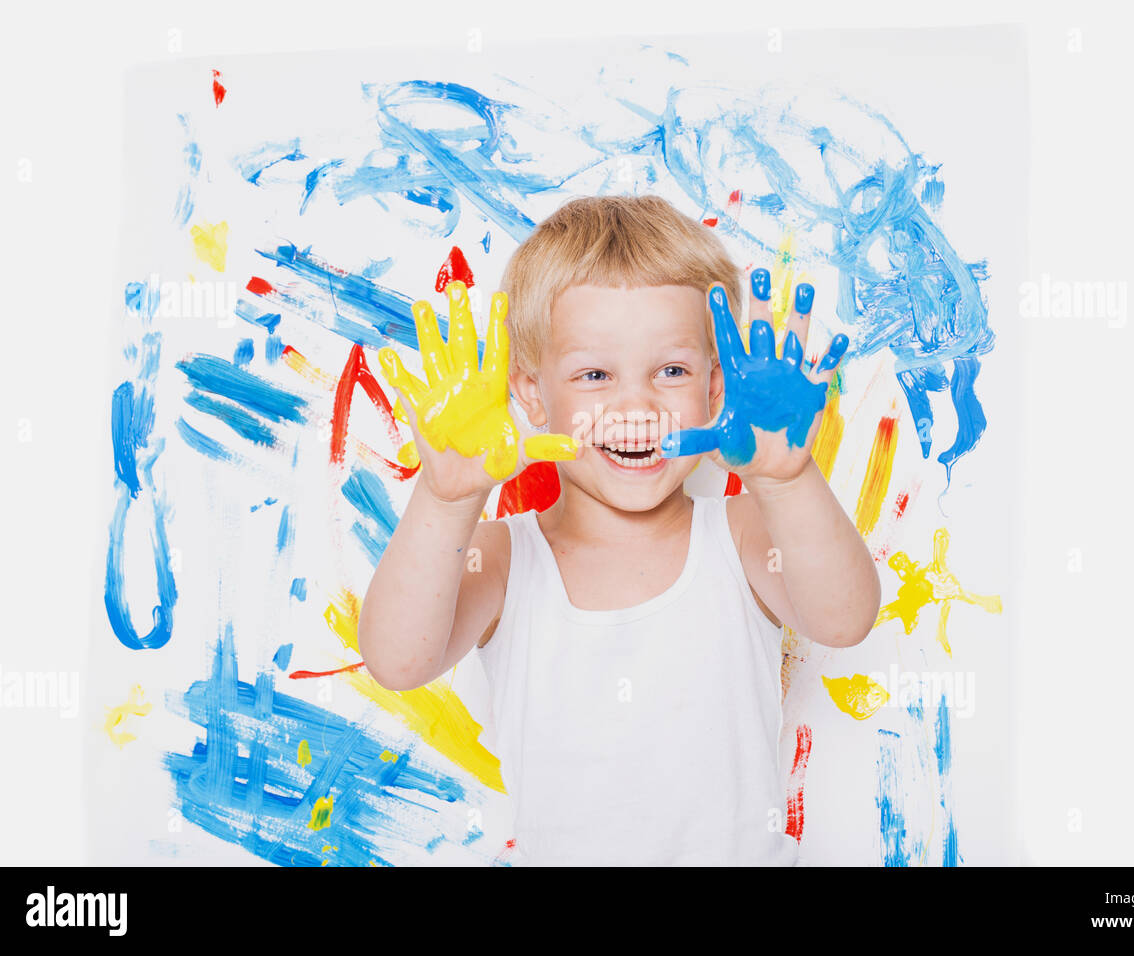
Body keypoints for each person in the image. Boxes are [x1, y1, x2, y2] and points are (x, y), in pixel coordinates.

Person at [358, 194, 881, 866]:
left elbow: (845, 619)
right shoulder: (504, 559)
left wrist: (785, 479)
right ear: (533, 395)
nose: (635, 404)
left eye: (672, 371)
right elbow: (398, 659)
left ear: (716, 387)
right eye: (595, 374)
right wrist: (445, 498)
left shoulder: (745, 534)